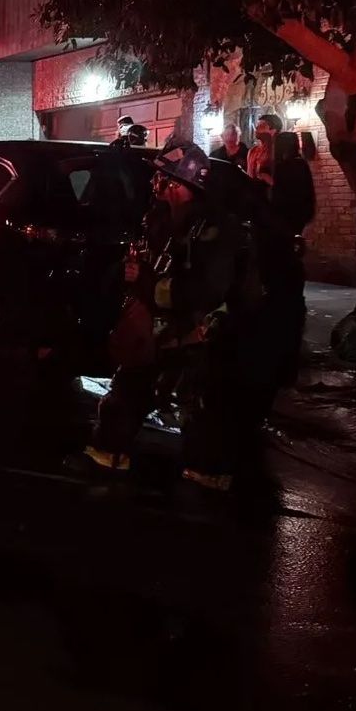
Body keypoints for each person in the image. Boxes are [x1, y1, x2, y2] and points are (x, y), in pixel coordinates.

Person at [80, 141, 261, 492]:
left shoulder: (215, 232)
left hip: (204, 331)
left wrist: (149, 284)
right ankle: (110, 450)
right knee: (132, 382)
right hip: (166, 325)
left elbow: (205, 291)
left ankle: (210, 472)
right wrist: (128, 273)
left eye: (161, 178)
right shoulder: (161, 220)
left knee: (200, 401)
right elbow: (147, 265)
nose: (153, 184)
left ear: (179, 185)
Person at [246, 112, 283, 184]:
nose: (256, 128)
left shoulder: (278, 151)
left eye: (261, 126)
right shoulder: (252, 151)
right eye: (257, 125)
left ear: (273, 130)